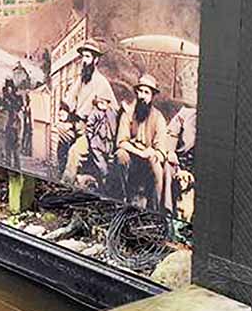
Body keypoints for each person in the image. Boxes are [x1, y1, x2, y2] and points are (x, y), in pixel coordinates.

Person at [59, 40, 117, 181]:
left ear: (96, 60)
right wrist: (66, 115)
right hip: (76, 126)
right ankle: (60, 174)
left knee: (74, 152)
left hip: (91, 133)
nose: (84, 61)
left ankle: (66, 183)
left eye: (88, 57)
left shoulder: (101, 83)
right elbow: (70, 99)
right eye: (83, 57)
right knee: (60, 134)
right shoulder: (82, 79)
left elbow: (112, 111)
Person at [117, 74, 169, 210]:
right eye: (140, 91)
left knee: (157, 165)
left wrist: (154, 153)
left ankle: (156, 209)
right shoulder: (128, 114)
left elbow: (161, 150)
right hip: (133, 157)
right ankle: (123, 199)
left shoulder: (158, 118)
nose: (142, 96)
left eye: (146, 92)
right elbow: (121, 142)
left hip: (148, 161)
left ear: (152, 96)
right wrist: (140, 152)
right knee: (120, 155)